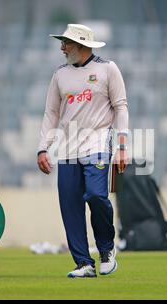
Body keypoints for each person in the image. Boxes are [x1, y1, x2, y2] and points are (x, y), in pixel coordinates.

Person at [36, 24, 129, 278]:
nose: (62, 47)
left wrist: (121, 146)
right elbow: (51, 114)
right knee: (70, 206)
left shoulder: (108, 69)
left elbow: (121, 107)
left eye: (66, 43)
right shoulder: (60, 75)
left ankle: (106, 249)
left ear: (81, 45)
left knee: (97, 196)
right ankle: (84, 263)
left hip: (98, 142)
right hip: (66, 148)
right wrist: (42, 148)